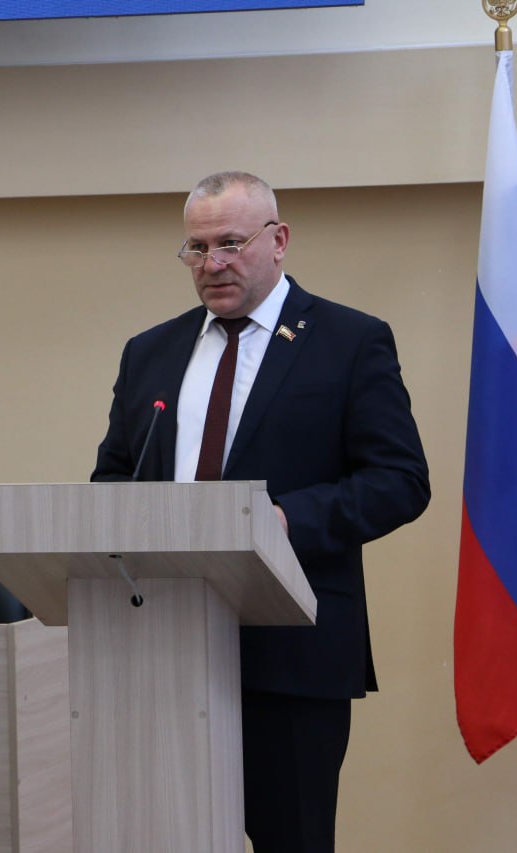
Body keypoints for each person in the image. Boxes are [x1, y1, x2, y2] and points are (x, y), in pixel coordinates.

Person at [91, 171, 430, 853]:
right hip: (161, 649)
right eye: (196, 248)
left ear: (279, 241)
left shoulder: (348, 340)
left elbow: (400, 480)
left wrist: (283, 521)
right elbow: (113, 478)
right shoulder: (150, 352)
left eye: (230, 243)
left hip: (292, 652)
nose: (212, 263)